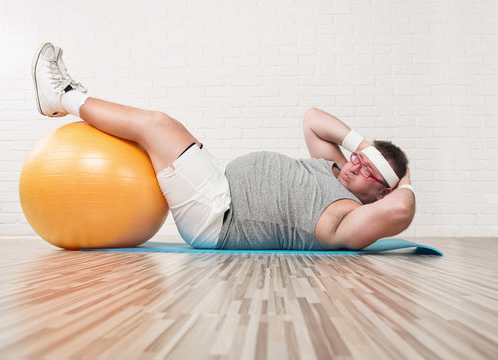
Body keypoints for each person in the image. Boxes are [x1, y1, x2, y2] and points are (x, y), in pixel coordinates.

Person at [31, 42, 416, 251]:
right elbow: (313, 119)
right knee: (164, 127)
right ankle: (65, 97)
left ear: (382, 192)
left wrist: (403, 180)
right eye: (358, 159)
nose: (355, 166)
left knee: (157, 125)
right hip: (217, 186)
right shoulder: (333, 167)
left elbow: (401, 209)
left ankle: (62, 97)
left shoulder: (347, 219)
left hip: (218, 217)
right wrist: (365, 147)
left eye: (370, 172)